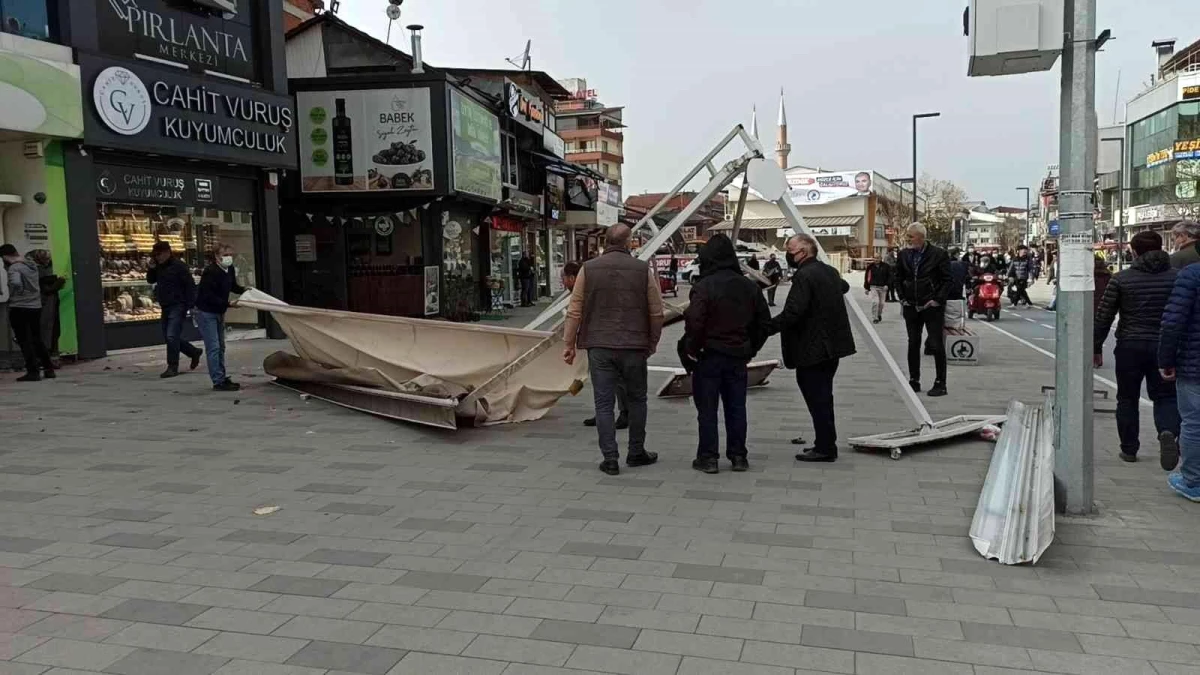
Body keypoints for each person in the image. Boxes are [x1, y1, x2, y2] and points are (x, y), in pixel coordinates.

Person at [563, 224, 664, 476]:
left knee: (603, 403)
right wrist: (652, 341)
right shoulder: (642, 271)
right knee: (638, 399)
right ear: (629, 242)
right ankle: (636, 452)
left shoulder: (588, 269)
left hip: (599, 345)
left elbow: (574, 310)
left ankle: (610, 458)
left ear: (606, 241)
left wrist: (569, 345)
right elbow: (656, 311)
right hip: (634, 345)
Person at [682, 234, 771, 473]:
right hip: (738, 354)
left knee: (707, 409)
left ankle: (708, 457)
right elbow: (764, 323)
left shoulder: (704, 286)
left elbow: (694, 321)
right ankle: (738, 456)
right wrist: (751, 348)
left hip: (708, 355)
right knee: (736, 406)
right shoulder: (749, 286)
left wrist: (691, 348)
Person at [1093, 232, 1180, 466]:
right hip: (1165, 346)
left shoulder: (1122, 278)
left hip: (1129, 346)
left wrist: (1096, 346)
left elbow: (1104, 315)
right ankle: (1168, 431)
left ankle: (1129, 449)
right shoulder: (1177, 278)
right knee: (1166, 396)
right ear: (1161, 248)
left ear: (1133, 251)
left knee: (1127, 398)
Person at [768, 234, 856, 462]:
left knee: (817, 397)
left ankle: (826, 447)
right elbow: (844, 286)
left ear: (804, 252)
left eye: (791, 250)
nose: (788, 254)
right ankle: (824, 442)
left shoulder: (804, 276)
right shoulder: (828, 272)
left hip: (813, 349)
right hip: (832, 348)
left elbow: (793, 313)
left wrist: (766, 328)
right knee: (823, 396)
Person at [564, 260, 629, 430]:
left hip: (605, 338)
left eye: (564, 278)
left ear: (572, 278)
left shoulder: (584, 290)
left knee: (616, 378)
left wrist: (569, 343)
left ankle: (623, 413)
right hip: (599, 338)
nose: (563, 282)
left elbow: (575, 314)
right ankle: (604, 413)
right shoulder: (587, 287)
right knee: (602, 379)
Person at [1159, 260, 1200, 502]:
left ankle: (1193, 481)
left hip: (1195, 364)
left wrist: (1166, 359)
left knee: (1194, 422)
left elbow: (1173, 322)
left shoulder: (1192, 275)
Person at [894, 223, 951, 397]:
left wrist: (937, 300)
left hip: (931, 306)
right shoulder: (903, 255)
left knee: (936, 343)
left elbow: (947, 280)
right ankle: (914, 380)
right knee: (913, 343)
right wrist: (902, 298)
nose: (908, 239)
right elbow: (898, 277)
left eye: (911, 236)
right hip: (911, 306)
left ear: (921, 236)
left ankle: (940, 383)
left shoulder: (938, 254)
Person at [194, 244, 247, 392]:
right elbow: (207, 296)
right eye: (226, 255)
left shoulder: (229, 269)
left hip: (218, 311)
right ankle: (218, 381)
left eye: (231, 254)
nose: (229, 258)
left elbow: (232, 286)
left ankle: (222, 377)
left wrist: (244, 290)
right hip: (206, 312)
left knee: (220, 347)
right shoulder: (210, 272)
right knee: (214, 347)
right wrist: (229, 304)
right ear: (217, 256)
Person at [147, 241, 202, 379]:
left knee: (171, 335)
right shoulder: (158, 266)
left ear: (167, 252)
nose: (157, 257)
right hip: (165, 304)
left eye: (159, 254)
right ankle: (193, 351)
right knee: (169, 336)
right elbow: (150, 280)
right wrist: (152, 268)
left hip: (178, 304)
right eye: (155, 255)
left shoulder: (179, 266)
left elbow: (190, 286)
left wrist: (191, 304)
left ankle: (172, 366)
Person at [1, 244, 55, 382]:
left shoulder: (14, 268)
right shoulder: (31, 264)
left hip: (20, 307)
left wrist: (17, 294)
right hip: (35, 306)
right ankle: (49, 368)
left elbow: (16, 283)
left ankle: (33, 371)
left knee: (24, 340)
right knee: (37, 338)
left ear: (5, 257)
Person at [26, 249, 64, 359]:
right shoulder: (38, 271)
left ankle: (49, 355)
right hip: (46, 303)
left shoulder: (35, 269)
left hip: (45, 302)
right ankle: (49, 356)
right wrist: (59, 282)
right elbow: (47, 289)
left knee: (50, 330)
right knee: (49, 330)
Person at [945, 248, 970, 330]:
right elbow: (967, 277)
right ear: (956, 255)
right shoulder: (962, 264)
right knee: (956, 317)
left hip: (945, 294)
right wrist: (968, 287)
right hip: (958, 293)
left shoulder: (945, 264)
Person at [863, 256, 892, 323]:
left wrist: (887, 285)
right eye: (875, 258)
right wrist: (866, 288)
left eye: (878, 258)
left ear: (881, 258)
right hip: (874, 287)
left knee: (881, 303)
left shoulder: (886, 266)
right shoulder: (870, 267)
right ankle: (875, 318)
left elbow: (890, 276)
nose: (876, 259)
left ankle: (879, 314)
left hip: (883, 287)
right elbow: (867, 277)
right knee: (875, 302)